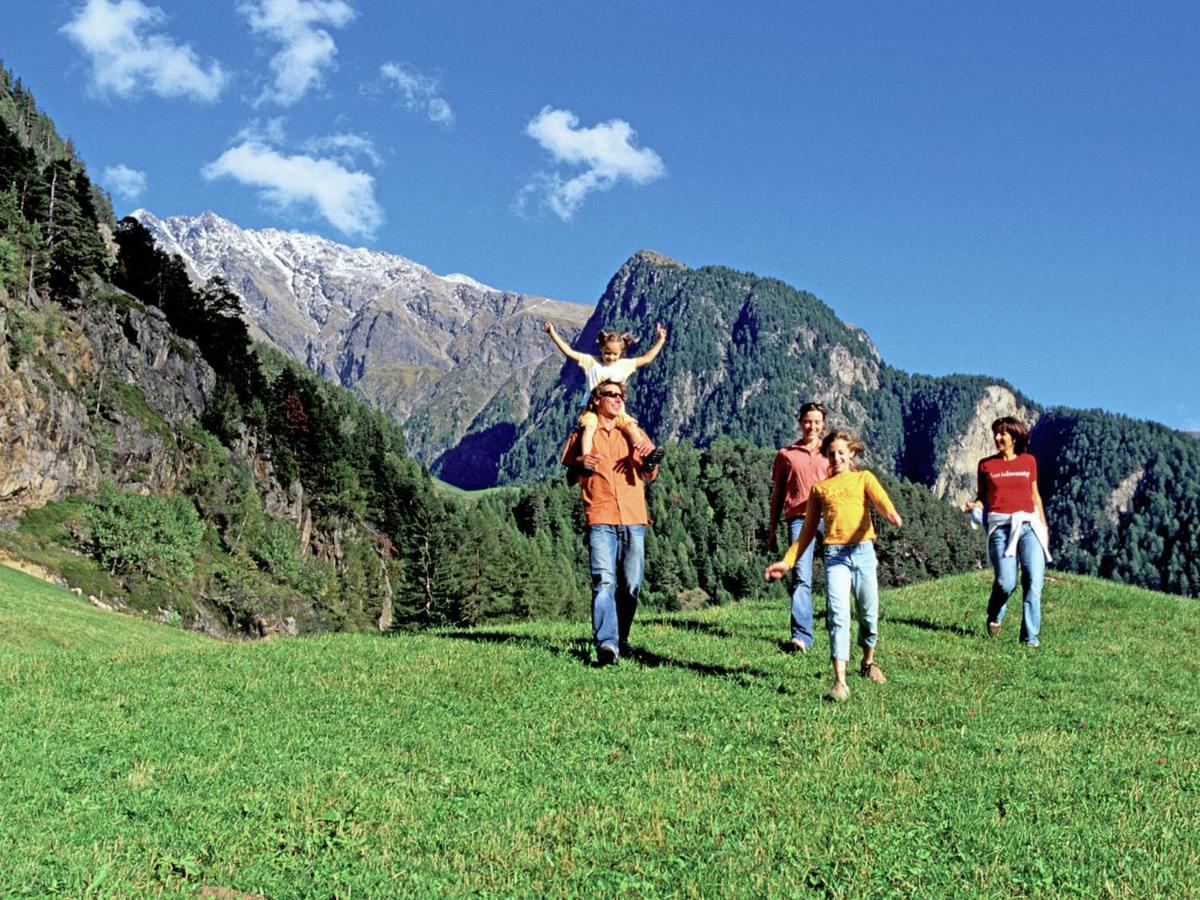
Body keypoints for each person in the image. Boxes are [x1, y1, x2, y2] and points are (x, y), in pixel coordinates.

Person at [764, 430, 903, 702]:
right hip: (835, 557)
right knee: (838, 617)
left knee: (868, 615)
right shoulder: (820, 490)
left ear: (851, 453)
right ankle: (840, 682)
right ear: (826, 457)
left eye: (841, 452)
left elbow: (881, 500)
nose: (836, 457)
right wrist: (787, 561)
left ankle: (867, 662)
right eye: (831, 454)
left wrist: (891, 515)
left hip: (863, 553)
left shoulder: (863, 478)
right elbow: (805, 533)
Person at [561, 379, 659, 666]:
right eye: (611, 395)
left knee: (631, 585)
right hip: (601, 516)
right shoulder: (583, 433)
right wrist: (581, 464)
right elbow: (569, 475)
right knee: (603, 581)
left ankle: (621, 638)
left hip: (633, 516)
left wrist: (651, 464)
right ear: (596, 400)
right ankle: (607, 644)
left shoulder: (633, 431)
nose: (618, 399)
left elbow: (650, 472)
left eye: (621, 395)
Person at [965, 416, 1050, 648]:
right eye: (996, 433)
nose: (997, 438)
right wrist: (976, 506)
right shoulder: (986, 465)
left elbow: (1035, 495)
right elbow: (982, 496)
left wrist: (1043, 526)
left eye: (1003, 433)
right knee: (1006, 582)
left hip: (1029, 526)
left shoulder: (1028, 462)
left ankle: (1030, 639)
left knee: (1033, 580)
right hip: (1000, 528)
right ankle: (994, 614)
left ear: (1014, 437)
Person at [545, 320, 667, 469]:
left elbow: (646, 358)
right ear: (601, 348)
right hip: (592, 408)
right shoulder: (591, 362)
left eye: (615, 354)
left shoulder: (624, 365)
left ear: (621, 353)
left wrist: (660, 339)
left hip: (617, 410)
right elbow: (569, 352)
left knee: (630, 426)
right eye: (607, 353)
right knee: (589, 427)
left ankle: (646, 457)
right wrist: (552, 333)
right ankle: (586, 460)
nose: (610, 357)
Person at [767, 402, 831, 653]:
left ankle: (836, 626)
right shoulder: (786, 454)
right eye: (807, 421)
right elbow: (778, 493)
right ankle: (801, 637)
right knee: (801, 576)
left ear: (823, 424)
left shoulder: (831, 453)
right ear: (800, 422)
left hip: (830, 518)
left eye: (816, 422)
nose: (812, 426)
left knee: (835, 574)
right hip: (799, 519)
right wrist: (772, 528)